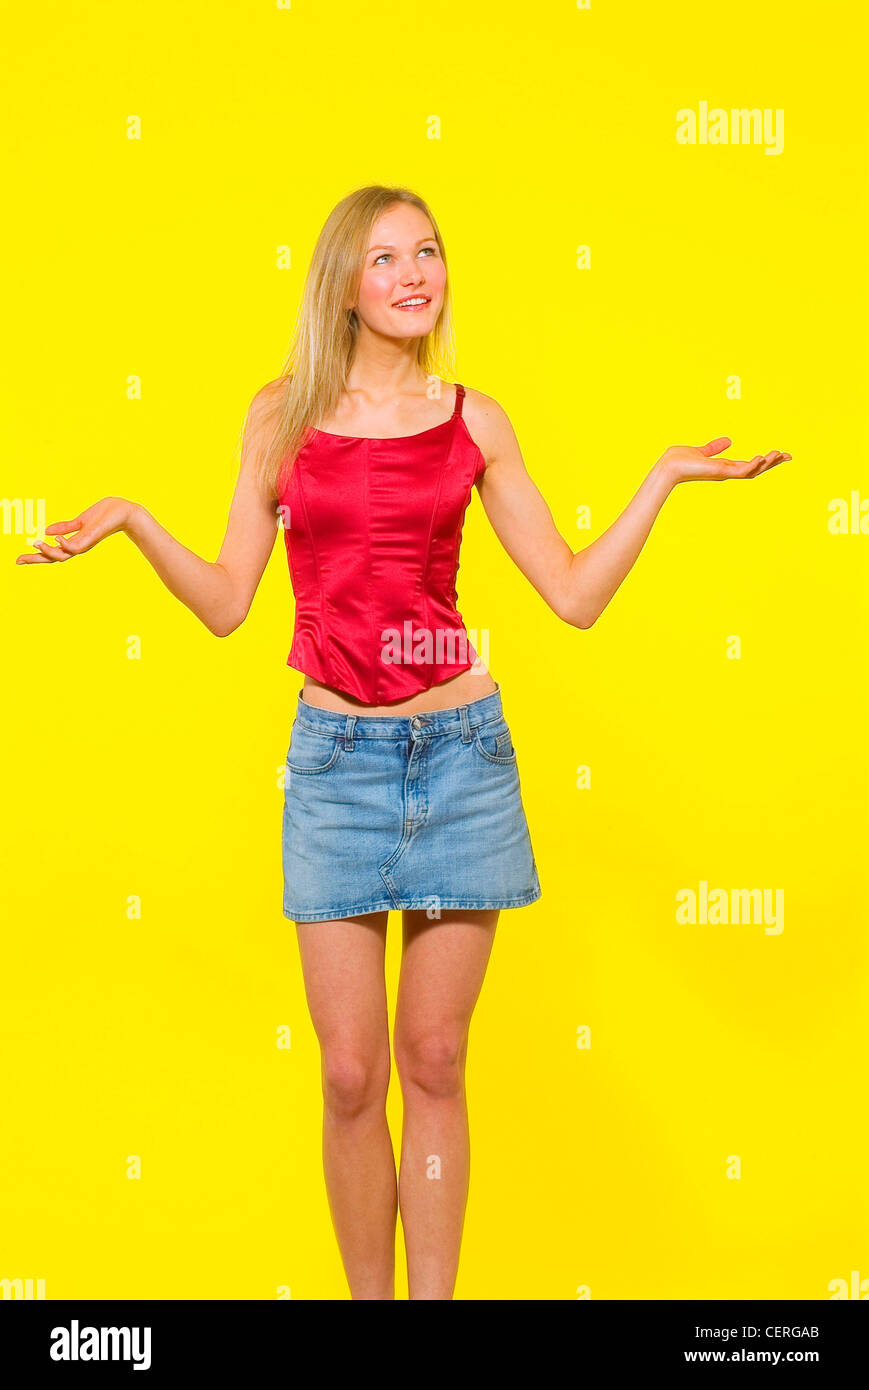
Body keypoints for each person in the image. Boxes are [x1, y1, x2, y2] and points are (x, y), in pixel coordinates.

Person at [16, 184, 790, 1300]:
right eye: (384, 259)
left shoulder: (474, 420)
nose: (413, 274)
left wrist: (659, 480)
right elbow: (232, 600)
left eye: (426, 252)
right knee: (346, 1073)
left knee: (433, 1059)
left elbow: (571, 595)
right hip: (334, 769)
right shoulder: (276, 416)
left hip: (460, 757)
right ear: (341, 282)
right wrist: (136, 521)